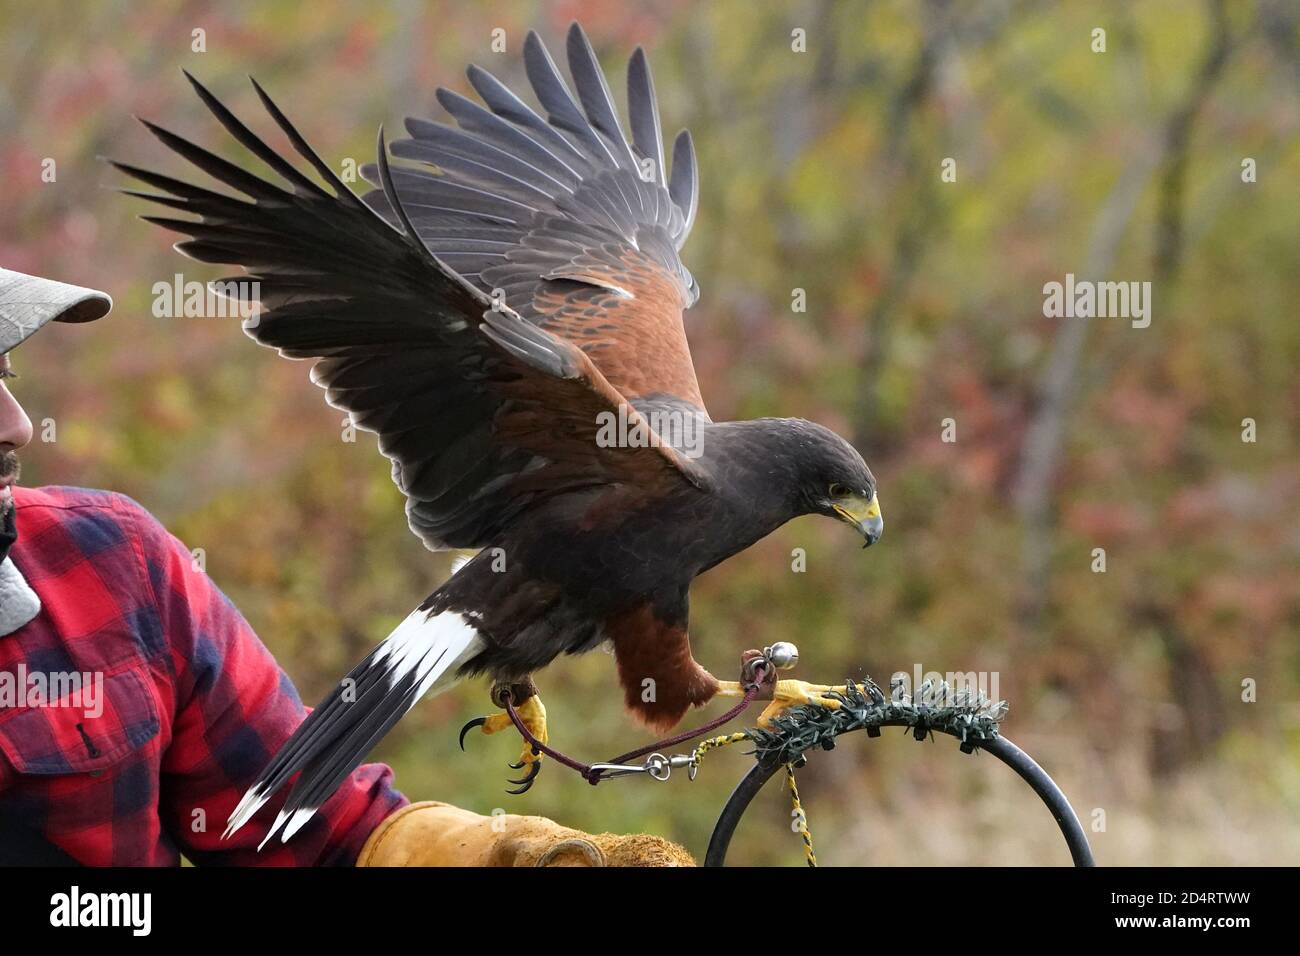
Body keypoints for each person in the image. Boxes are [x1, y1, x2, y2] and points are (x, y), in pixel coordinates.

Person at [0, 267, 692, 867]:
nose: (17, 424)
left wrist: (493, 855)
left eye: (6, 375)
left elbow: (312, 836)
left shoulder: (109, 560)